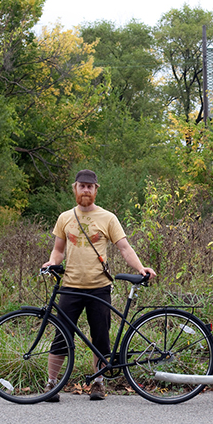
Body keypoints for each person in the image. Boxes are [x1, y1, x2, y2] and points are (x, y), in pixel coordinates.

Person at [42, 169, 156, 401]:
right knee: (61, 336)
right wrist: (52, 262)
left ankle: (98, 382)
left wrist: (140, 268)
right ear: (75, 188)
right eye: (81, 186)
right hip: (70, 286)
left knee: (100, 337)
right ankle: (52, 384)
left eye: (90, 186)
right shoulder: (65, 217)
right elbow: (59, 249)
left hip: (99, 287)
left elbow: (124, 247)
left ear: (96, 190)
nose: (85, 190)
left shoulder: (108, 218)